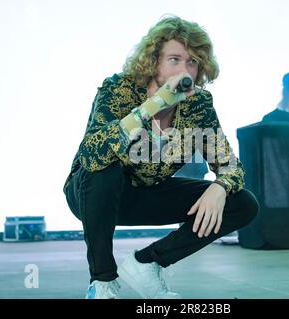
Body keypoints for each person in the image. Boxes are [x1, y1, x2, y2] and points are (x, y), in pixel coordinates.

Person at [63, 15, 259, 299]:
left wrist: (220, 186)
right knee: (104, 170)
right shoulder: (119, 89)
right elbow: (93, 154)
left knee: (242, 203)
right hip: (92, 194)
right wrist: (152, 106)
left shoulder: (198, 104)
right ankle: (102, 282)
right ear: (153, 60)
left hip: (147, 194)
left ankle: (147, 263)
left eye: (192, 61)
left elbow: (230, 165)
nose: (185, 69)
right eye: (175, 59)